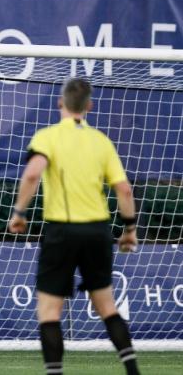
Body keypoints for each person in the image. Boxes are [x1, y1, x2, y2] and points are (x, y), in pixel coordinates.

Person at [8, 78, 140, 375]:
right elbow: (125, 190)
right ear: (89, 107)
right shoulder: (101, 141)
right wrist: (129, 229)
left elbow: (32, 175)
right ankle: (133, 370)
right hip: (97, 232)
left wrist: (19, 212)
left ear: (60, 103)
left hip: (62, 232)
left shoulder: (48, 137)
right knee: (107, 306)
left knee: (50, 312)